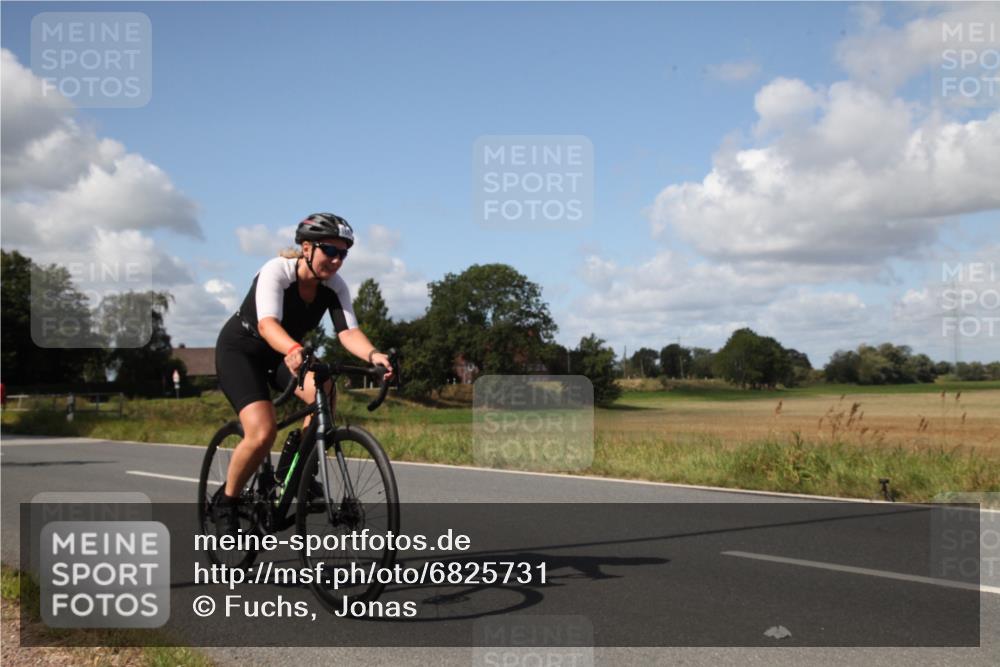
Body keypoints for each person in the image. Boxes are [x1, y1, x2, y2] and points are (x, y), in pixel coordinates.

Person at [213, 212, 393, 534]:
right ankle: (227, 501)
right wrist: (294, 350)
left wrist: (373, 354)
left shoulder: (334, 288)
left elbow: (348, 332)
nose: (337, 260)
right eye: (330, 251)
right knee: (262, 432)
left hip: (285, 355)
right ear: (307, 248)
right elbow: (268, 324)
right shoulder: (277, 272)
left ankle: (296, 473)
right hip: (242, 351)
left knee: (324, 387)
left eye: (344, 253)